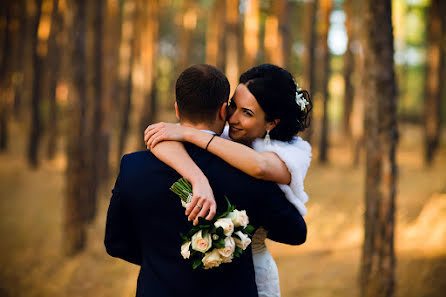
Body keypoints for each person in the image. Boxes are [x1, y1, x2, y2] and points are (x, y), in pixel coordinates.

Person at [105, 64, 307, 297]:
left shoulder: (133, 167)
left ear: (177, 109)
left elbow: (116, 243)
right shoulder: (249, 173)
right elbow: (295, 232)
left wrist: (163, 262)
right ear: (224, 111)